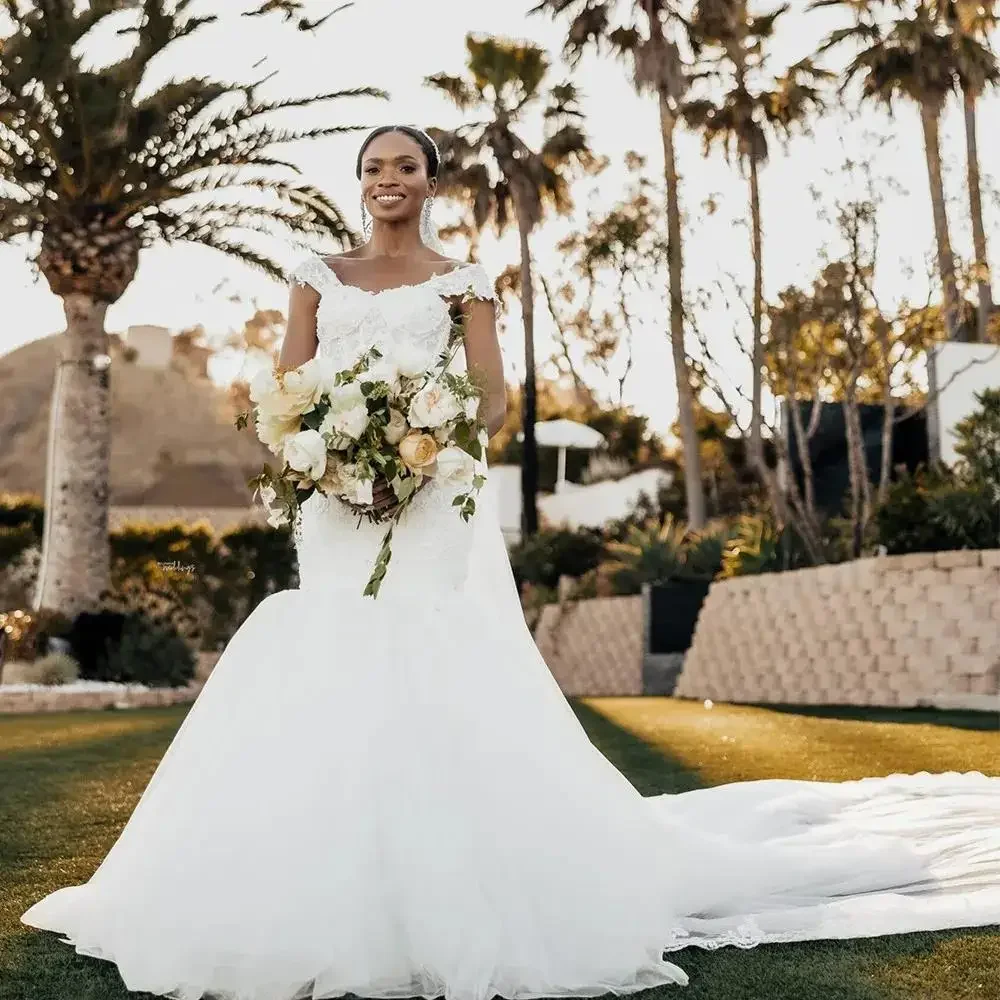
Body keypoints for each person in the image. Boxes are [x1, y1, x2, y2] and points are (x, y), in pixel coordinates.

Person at [22, 125, 1000, 1000]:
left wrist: (423, 453)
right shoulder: (315, 273)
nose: (388, 179)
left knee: (426, 650)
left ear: (431, 180)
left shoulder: (463, 280)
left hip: (432, 495)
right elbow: (287, 383)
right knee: (335, 646)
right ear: (357, 183)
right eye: (373, 167)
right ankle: (333, 881)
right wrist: (324, 459)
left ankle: (459, 884)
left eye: (405, 165)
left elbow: (488, 393)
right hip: (333, 502)